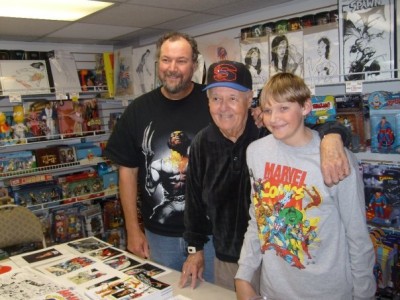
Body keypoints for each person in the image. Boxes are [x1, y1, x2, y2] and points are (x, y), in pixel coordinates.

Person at [179, 61, 352, 290]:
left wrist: (334, 135)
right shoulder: (202, 142)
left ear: (249, 99)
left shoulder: (268, 129)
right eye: (216, 99)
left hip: (279, 260)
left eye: (232, 98)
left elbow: (306, 126)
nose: (223, 107)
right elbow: (194, 202)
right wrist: (194, 249)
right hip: (228, 260)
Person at [235, 73, 376, 300]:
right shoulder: (256, 152)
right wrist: (243, 274)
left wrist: (364, 295)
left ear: (305, 107)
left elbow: (357, 235)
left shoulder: (337, 159)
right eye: (268, 110)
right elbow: (258, 219)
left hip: (328, 291)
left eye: (284, 108)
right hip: (273, 290)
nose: (274, 118)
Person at [104, 32, 215, 282]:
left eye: (181, 61)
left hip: (210, 236)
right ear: (158, 64)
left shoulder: (212, 102)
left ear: (194, 65)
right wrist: (133, 229)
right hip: (160, 235)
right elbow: (128, 172)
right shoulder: (138, 110)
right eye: (166, 60)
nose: (172, 68)